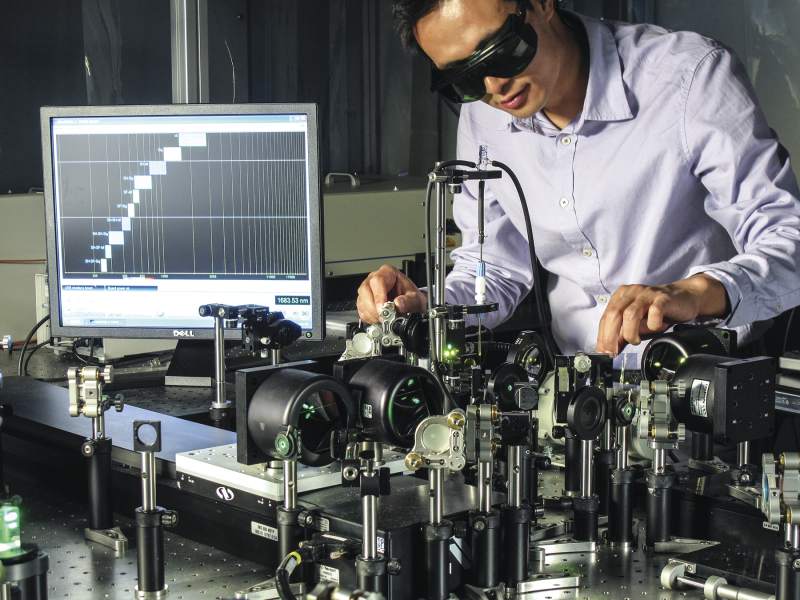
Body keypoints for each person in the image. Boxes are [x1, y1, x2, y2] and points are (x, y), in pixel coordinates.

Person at [356, 0, 800, 357]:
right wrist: (427, 308)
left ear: (543, 4)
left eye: (502, 50)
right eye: (464, 78)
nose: (494, 86)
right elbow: (492, 268)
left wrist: (695, 292)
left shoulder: (687, 76)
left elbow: (789, 244)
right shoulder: (482, 115)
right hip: (575, 393)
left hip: (703, 381)